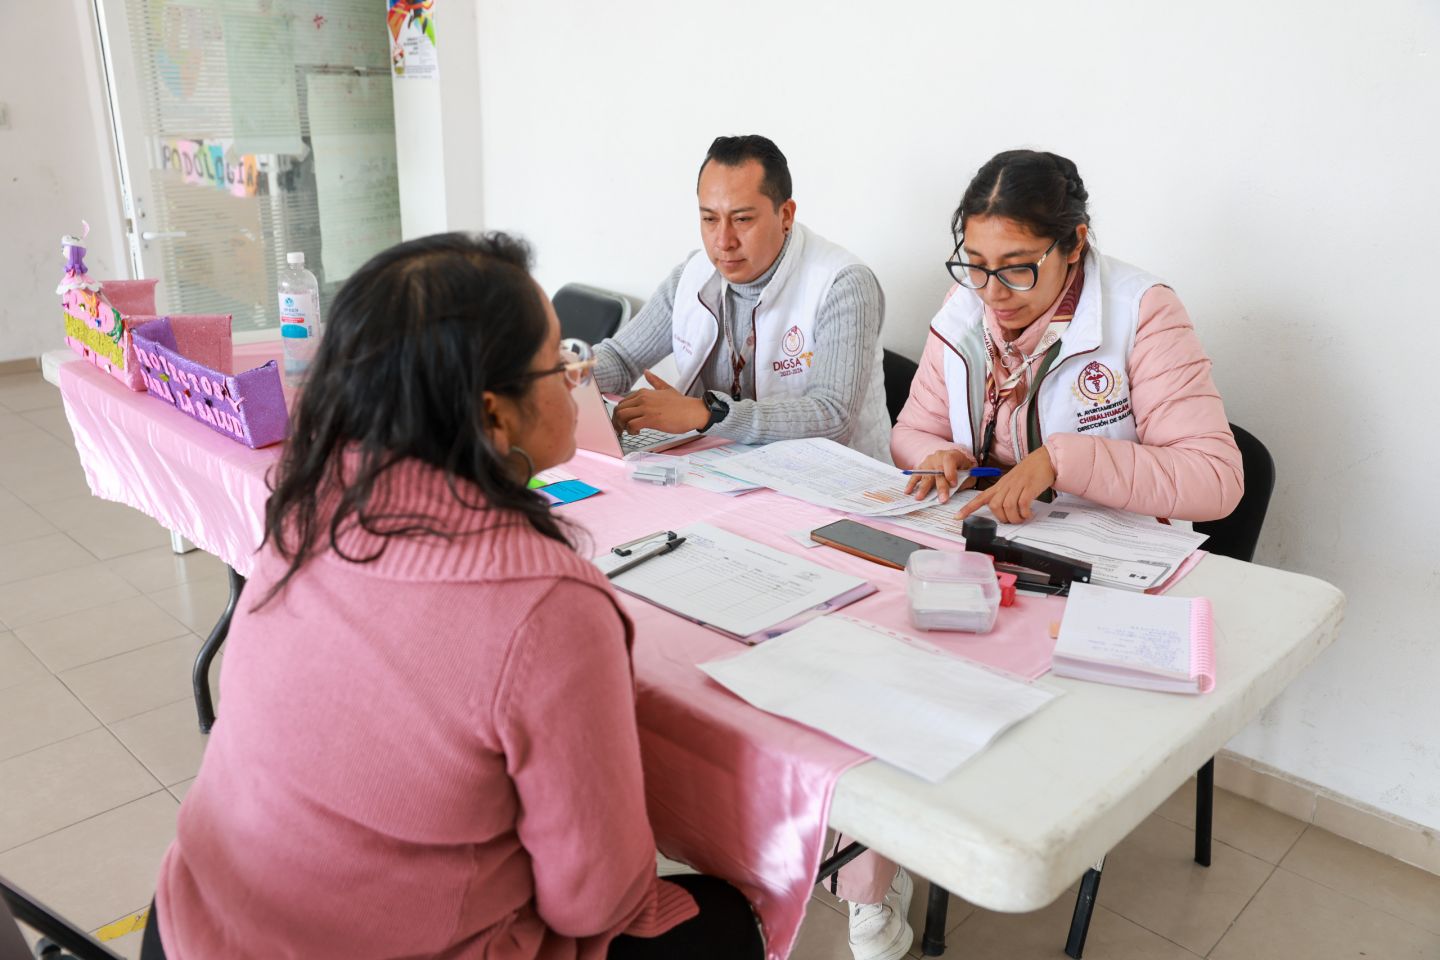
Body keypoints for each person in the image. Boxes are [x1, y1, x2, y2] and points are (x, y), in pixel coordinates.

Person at [142, 233, 764, 960]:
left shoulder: (307, 506)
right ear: (495, 416)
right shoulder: (545, 606)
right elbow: (598, 898)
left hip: (194, 928)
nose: (576, 378)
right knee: (716, 916)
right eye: (561, 360)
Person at [832, 150, 1244, 960]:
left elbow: (1217, 478)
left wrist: (1067, 459)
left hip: (1100, 576)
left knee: (963, 700)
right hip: (986, 558)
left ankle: (927, 849)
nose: (992, 293)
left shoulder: (1141, 312)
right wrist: (935, 455)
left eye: (1018, 270)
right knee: (863, 659)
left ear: (1075, 245)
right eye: (976, 266)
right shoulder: (965, 307)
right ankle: (873, 870)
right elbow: (912, 429)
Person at [593, 134, 893, 462]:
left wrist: (707, 414)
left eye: (742, 219)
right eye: (709, 219)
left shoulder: (843, 283)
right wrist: (556, 374)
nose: (723, 241)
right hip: (729, 474)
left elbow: (833, 417)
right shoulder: (692, 275)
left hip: (838, 486)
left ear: (786, 215)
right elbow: (620, 359)